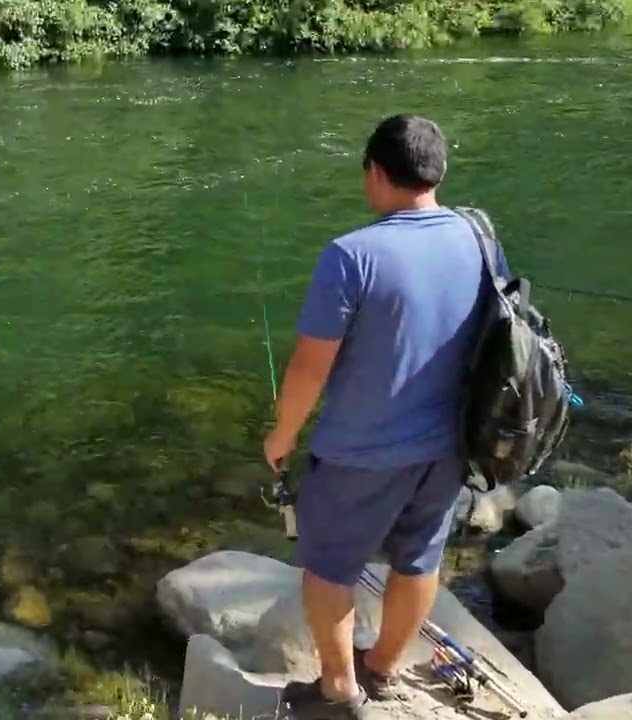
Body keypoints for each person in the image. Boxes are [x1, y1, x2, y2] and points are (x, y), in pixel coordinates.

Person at [262, 114, 510, 717]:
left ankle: (339, 690)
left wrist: (282, 436)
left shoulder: (350, 255)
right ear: (438, 171)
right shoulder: (480, 239)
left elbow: (309, 368)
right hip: (449, 446)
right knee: (419, 559)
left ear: (375, 171)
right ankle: (381, 669)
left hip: (360, 452)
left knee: (329, 568)